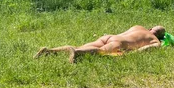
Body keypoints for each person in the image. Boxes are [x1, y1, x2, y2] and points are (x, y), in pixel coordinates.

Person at [34, 25, 166, 63]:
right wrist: (130, 53)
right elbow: (143, 50)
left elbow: (124, 32)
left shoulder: (138, 27)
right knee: (100, 51)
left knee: (81, 46)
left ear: (150, 29)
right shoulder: (155, 41)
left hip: (110, 36)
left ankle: (49, 51)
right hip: (120, 43)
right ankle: (78, 54)